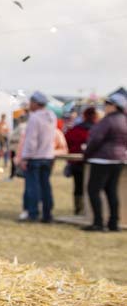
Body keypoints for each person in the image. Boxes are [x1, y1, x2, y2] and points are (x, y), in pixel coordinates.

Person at [82, 93, 126, 232]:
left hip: (102, 159)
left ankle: (98, 223)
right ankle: (113, 223)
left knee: (93, 190)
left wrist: (86, 154)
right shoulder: (124, 120)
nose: (105, 107)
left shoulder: (107, 121)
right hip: (118, 159)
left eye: (107, 104)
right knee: (111, 191)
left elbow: (95, 139)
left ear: (113, 106)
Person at [17, 92, 57, 223]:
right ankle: (47, 214)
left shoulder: (34, 118)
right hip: (48, 156)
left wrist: (25, 157)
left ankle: (33, 213)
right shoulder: (51, 116)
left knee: (33, 187)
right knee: (46, 186)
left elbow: (31, 141)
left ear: (35, 103)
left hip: (35, 157)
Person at [64, 107, 97, 215]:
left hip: (77, 162)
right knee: (93, 187)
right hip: (93, 163)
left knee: (78, 186)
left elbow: (67, 141)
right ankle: (88, 209)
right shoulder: (98, 129)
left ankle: (79, 209)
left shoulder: (76, 129)